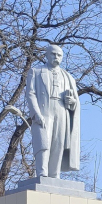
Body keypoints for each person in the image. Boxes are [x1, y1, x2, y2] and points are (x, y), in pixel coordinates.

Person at [26, 44, 80, 178]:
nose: (56, 57)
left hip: (62, 111)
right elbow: (30, 94)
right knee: (43, 142)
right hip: (44, 110)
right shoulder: (36, 72)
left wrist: (72, 103)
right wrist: (36, 113)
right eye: (53, 54)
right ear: (47, 55)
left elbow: (75, 101)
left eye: (59, 55)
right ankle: (42, 173)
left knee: (59, 143)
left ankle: (54, 175)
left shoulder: (68, 77)